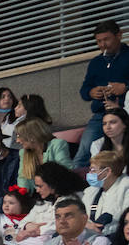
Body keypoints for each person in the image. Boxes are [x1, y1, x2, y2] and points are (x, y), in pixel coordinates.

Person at [73, 21, 129, 167]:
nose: (103, 44)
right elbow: (84, 91)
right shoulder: (96, 62)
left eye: (106, 39)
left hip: (125, 112)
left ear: (119, 35)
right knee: (82, 155)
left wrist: (125, 87)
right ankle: (78, 188)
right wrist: (91, 92)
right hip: (101, 115)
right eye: (99, 41)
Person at [14, 118, 72, 190]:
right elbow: (23, 178)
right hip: (38, 195)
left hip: (60, 190)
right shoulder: (23, 153)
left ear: (31, 137)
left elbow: (65, 171)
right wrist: (22, 195)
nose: (17, 141)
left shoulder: (57, 145)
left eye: (19, 136)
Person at [83, 150, 129, 231]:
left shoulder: (126, 187)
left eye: (93, 170)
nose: (89, 173)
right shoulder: (90, 191)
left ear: (107, 172)